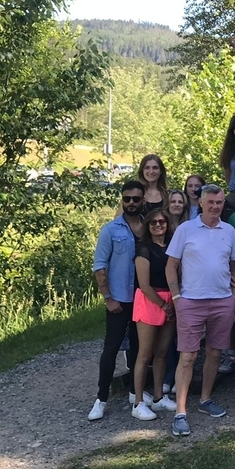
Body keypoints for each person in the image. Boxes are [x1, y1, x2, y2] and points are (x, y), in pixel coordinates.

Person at [165, 184, 235, 436]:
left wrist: (234, 295)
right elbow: (171, 266)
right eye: (211, 202)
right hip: (191, 301)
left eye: (219, 202)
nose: (215, 207)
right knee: (187, 356)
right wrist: (177, 297)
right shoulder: (186, 229)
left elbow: (233, 266)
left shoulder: (229, 231)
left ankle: (205, 399)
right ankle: (180, 412)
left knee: (215, 353)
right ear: (201, 203)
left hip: (222, 301)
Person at [88, 180, 146, 421]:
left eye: (136, 199)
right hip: (119, 300)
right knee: (111, 349)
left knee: (138, 348)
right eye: (127, 199)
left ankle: (135, 392)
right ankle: (101, 398)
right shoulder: (110, 230)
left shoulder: (148, 227)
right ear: (122, 200)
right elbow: (99, 266)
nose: (131, 203)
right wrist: (108, 298)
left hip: (142, 300)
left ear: (143, 200)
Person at [129, 209, 179, 421]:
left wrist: (172, 302)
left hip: (170, 300)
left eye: (162, 221)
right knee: (145, 353)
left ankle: (159, 396)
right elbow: (144, 285)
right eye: (154, 222)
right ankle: (138, 401)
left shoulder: (173, 247)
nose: (158, 225)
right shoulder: (144, 250)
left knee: (162, 351)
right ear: (148, 226)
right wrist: (163, 305)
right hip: (150, 301)